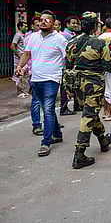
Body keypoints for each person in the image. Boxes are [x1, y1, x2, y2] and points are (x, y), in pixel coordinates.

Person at [65, 12, 111, 169]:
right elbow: (109, 66)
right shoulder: (100, 43)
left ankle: (103, 140)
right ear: (95, 26)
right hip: (93, 84)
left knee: (90, 113)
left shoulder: (72, 42)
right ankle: (79, 154)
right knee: (88, 116)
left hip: (77, 84)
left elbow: (67, 65)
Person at [16, 10, 67, 156]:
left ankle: (46, 143)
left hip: (52, 79)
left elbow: (67, 59)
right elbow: (27, 54)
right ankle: (57, 134)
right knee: (46, 108)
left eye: (47, 20)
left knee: (48, 109)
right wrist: (20, 67)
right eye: (41, 19)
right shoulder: (33, 37)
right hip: (36, 78)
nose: (43, 22)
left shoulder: (60, 39)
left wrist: (67, 79)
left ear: (53, 23)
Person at [60, 16, 81, 116]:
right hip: (66, 64)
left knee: (74, 84)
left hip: (72, 64)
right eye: (73, 23)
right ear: (67, 24)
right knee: (66, 85)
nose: (75, 25)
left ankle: (76, 105)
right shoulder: (65, 36)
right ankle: (63, 108)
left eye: (76, 23)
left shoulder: (73, 34)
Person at [11, 20, 29, 98]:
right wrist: (18, 55)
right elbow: (12, 46)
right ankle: (19, 92)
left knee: (24, 75)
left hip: (23, 58)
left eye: (26, 26)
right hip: (19, 58)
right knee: (19, 75)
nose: (26, 28)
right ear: (20, 27)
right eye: (24, 26)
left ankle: (23, 91)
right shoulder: (17, 35)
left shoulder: (24, 35)